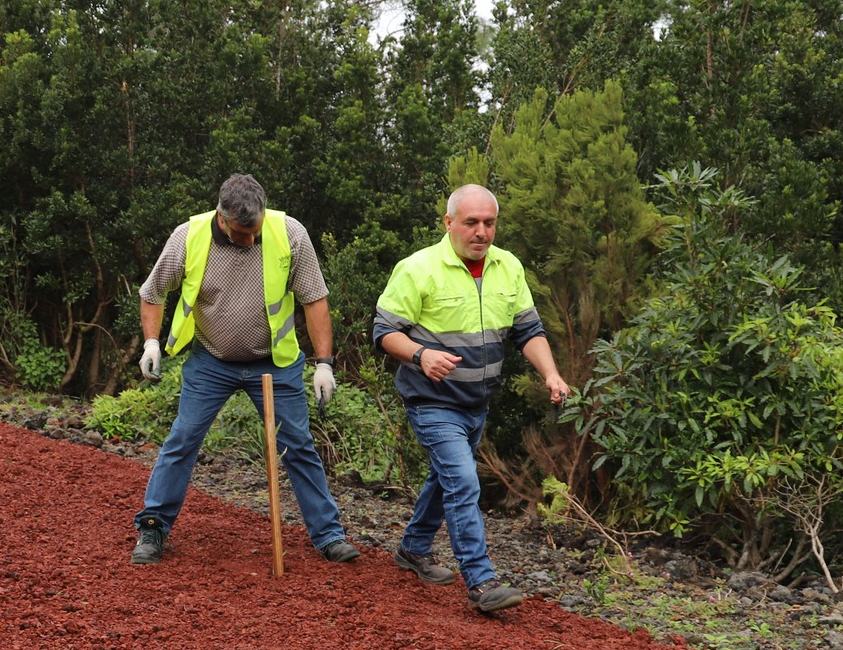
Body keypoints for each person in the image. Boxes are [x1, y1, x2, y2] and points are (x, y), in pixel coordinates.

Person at [131, 173, 361, 567]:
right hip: (211, 360)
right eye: (241, 233)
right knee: (183, 438)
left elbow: (314, 299)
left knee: (299, 446)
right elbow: (153, 292)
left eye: (254, 230)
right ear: (221, 216)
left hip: (275, 362)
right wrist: (152, 341)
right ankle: (153, 526)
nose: (250, 240)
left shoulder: (290, 233)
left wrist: (325, 363)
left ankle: (328, 535)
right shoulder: (188, 236)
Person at [372, 183, 570, 615]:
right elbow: (384, 332)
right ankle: (481, 583)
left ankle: (412, 549)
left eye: (489, 223)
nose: (481, 232)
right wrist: (421, 355)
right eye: (471, 222)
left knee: (446, 480)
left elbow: (528, 332)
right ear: (449, 223)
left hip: (477, 403)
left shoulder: (507, 267)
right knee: (463, 480)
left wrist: (551, 374)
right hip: (431, 401)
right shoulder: (418, 269)